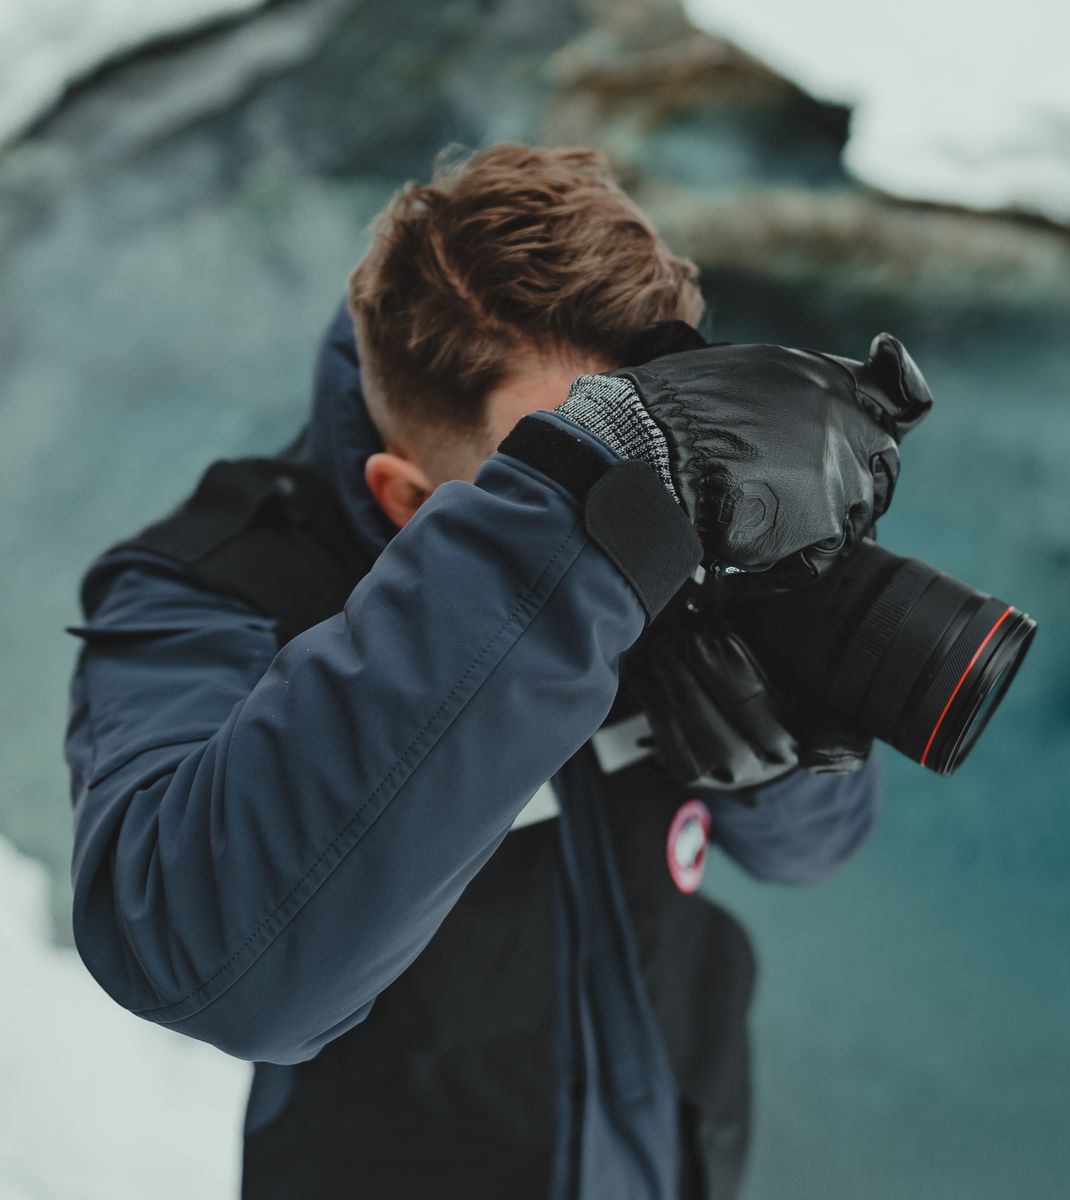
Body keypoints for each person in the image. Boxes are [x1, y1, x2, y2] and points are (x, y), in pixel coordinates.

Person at [63, 143, 931, 1200]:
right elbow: (207, 960)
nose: (647, 504)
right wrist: (571, 516)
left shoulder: (683, 516)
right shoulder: (206, 590)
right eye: (569, 456)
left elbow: (817, 849)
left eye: (651, 432)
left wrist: (777, 771)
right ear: (408, 499)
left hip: (673, 1150)